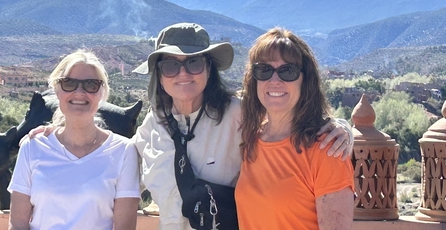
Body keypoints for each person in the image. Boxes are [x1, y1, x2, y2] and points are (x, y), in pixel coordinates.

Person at [132, 23, 352, 230]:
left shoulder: (239, 116)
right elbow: (114, 166)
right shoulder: (151, 127)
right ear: (159, 77)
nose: (183, 73)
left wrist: (342, 128)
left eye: (194, 63)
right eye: (171, 66)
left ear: (209, 69)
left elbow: (283, 111)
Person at [234, 28, 355, 229]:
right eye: (264, 70)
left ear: (305, 80)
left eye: (287, 71)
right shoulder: (250, 141)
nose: (274, 81)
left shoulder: (326, 150)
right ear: (253, 79)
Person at [9, 51, 140, 230]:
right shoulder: (32, 147)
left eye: (91, 85)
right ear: (57, 90)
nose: (80, 92)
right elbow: (17, 225)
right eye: (69, 83)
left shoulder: (124, 152)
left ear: (102, 93)